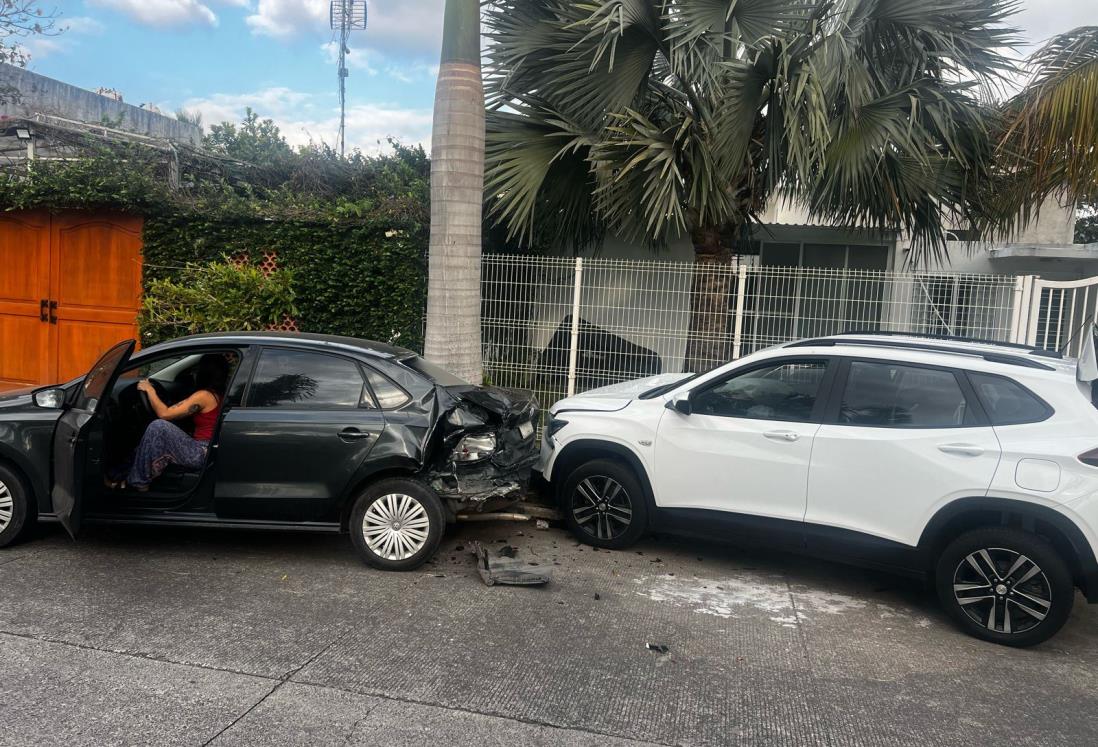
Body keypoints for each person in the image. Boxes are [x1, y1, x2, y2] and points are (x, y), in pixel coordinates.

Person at [108, 354, 229, 492]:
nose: (194, 373)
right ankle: (119, 476)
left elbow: (164, 414)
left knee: (158, 426)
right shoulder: (221, 392)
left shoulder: (204, 396)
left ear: (204, 373)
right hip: (207, 448)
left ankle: (138, 483)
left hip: (202, 452)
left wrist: (150, 390)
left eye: (197, 370)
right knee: (146, 443)